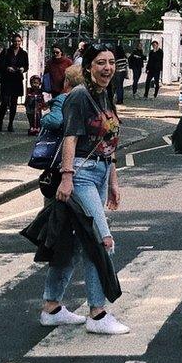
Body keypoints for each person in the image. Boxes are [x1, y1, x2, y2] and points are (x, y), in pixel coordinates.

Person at [47, 42, 128, 334]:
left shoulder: (105, 95)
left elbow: (109, 141)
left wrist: (113, 181)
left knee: (73, 244)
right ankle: (97, 313)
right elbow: (70, 137)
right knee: (101, 240)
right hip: (80, 174)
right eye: (100, 63)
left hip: (101, 172)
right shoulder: (79, 97)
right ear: (88, 68)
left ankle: (51, 308)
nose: (107, 68)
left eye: (111, 63)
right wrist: (67, 177)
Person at [0, 34, 29, 132]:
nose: (17, 43)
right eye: (15, 41)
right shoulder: (6, 52)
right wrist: (6, 68)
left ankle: (11, 123)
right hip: (7, 79)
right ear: (12, 41)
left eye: (18, 41)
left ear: (21, 41)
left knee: (14, 102)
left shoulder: (23, 53)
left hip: (17, 79)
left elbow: (26, 65)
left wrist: (23, 69)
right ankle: (1, 121)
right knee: (4, 101)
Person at [41, 65, 84, 132]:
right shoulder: (88, 98)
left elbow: (54, 121)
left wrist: (44, 118)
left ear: (67, 82)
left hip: (65, 137)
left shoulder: (63, 99)